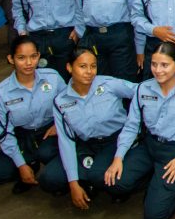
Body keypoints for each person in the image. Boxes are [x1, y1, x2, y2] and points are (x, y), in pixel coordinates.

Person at [105, 42, 175, 219]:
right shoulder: (143, 89)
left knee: (154, 217)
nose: (158, 70)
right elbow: (131, 126)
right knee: (113, 182)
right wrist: (118, 157)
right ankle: (153, 180)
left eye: (164, 65)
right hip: (149, 145)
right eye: (154, 64)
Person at [39, 48, 137, 209]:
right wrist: (73, 183)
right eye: (83, 66)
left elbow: (140, 92)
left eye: (93, 66)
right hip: (87, 145)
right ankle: (87, 181)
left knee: (108, 179)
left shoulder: (109, 84)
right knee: (49, 179)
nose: (89, 72)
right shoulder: (61, 101)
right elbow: (66, 142)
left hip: (115, 142)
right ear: (69, 67)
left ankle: (98, 180)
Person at [0, 36, 65, 193]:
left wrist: (58, 124)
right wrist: (21, 165)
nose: (28, 63)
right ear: (11, 59)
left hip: (49, 133)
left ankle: (55, 171)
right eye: (21, 58)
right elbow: (4, 133)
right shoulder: (1, 92)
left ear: (39, 56)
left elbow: (69, 106)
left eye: (33, 56)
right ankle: (28, 164)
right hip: (21, 136)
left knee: (48, 159)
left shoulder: (52, 78)